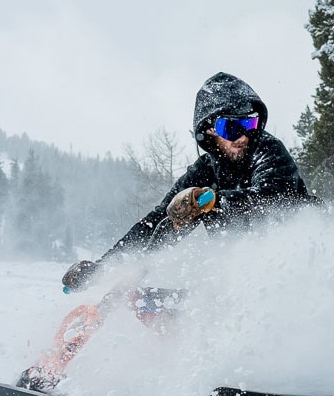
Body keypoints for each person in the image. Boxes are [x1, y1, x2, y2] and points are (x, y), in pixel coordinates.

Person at [63, 71, 311, 291]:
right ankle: (136, 292)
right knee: (181, 211)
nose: (243, 136)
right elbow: (157, 219)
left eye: (250, 124)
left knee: (202, 204)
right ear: (210, 129)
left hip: (295, 264)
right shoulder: (205, 169)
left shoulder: (268, 150)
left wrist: (212, 201)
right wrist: (104, 267)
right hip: (241, 275)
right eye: (231, 128)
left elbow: (275, 198)